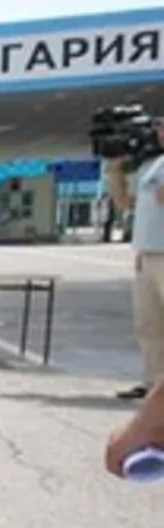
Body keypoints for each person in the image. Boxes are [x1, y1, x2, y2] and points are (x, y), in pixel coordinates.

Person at [104, 121, 164, 400]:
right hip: (147, 251)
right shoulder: (151, 166)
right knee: (148, 323)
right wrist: (114, 171)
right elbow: (126, 203)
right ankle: (152, 382)